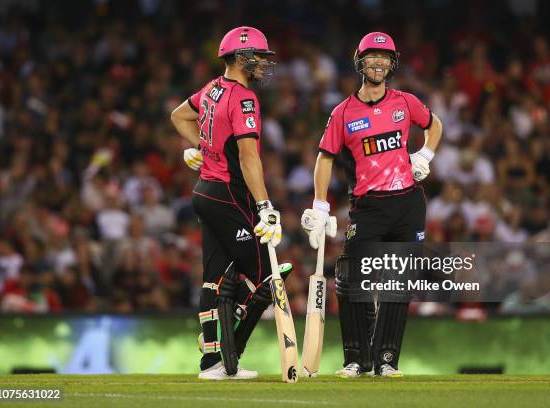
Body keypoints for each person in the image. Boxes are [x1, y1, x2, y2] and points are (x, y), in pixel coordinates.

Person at [301, 32, 443, 377]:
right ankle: (356, 360)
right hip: (368, 206)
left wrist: (425, 153)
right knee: (351, 280)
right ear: (359, 62)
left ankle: (387, 362)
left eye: (385, 57)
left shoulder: (405, 102)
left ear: (392, 64)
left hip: (408, 203)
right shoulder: (343, 112)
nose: (378, 63)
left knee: (398, 283)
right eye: (372, 57)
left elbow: (434, 124)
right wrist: (320, 205)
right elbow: (325, 158)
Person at [171, 26, 282, 380]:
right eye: (259, 56)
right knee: (266, 278)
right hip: (229, 195)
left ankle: (211, 363)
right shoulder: (243, 98)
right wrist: (265, 206)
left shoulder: (212, 89)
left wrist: (201, 149)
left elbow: (178, 115)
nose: (264, 62)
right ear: (240, 57)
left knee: (213, 280)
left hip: (205, 192)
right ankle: (229, 357)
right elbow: (249, 158)